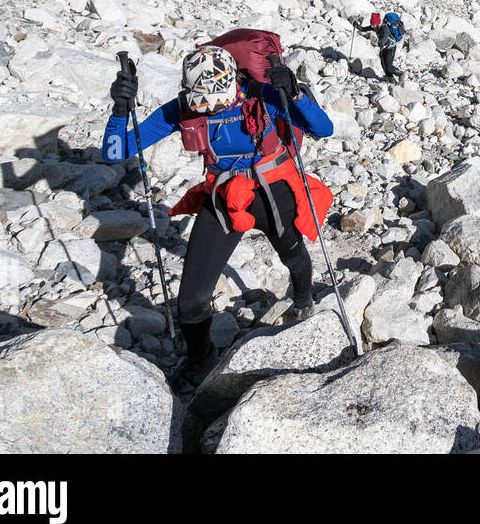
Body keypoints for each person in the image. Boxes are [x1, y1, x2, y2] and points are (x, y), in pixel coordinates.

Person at [103, 44, 334, 389]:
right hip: (226, 196)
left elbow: (323, 129)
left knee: (292, 253)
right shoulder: (184, 109)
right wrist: (121, 108)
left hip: (272, 188)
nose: (213, 110)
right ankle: (201, 358)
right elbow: (115, 151)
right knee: (190, 302)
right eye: (205, 105)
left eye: (220, 101)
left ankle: (303, 300)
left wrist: (295, 94)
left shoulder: (262, 95)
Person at [356, 11, 407, 83]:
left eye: (373, 24)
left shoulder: (384, 27)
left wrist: (381, 42)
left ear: (377, 23)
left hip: (391, 48)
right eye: (371, 24)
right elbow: (363, 29)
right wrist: (357, 26)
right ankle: (390, 79)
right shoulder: (374, 27)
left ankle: (401, 74)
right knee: (384, 65)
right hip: (383, 48)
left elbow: (385, 36)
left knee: (389, 67)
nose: (372, 26)